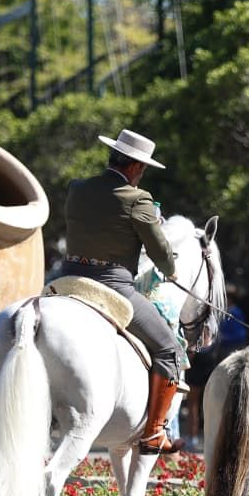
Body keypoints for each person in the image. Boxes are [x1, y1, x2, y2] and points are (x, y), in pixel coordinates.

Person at [63, 128, 185, 454]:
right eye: (143, 169)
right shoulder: (138, 199)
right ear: (135, 167)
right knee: (169, 349)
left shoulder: (77, 189)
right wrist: (171, 271)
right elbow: (159, 252)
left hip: (66, 279)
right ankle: (154, 433)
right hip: (112, 285)